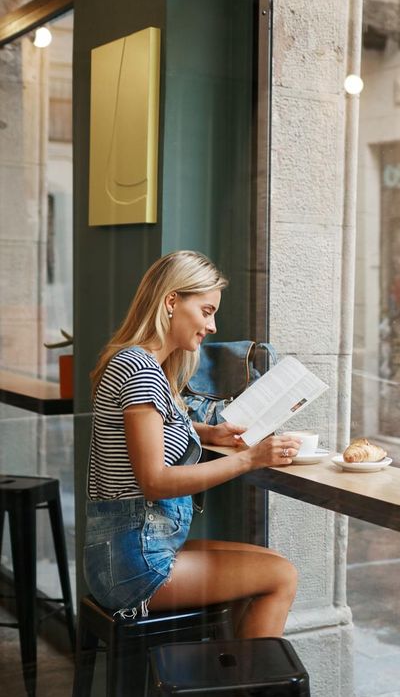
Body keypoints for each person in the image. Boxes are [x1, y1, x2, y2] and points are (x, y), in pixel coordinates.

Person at [83, 250, 302, 637]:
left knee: (270, 562)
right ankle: (247, 695)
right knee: (280, 576)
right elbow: (155, 480)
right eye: (206, 310)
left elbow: (151, 426)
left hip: (126, 553)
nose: (212, 325)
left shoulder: (137, 363)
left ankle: (228, 686)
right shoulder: (140, 369)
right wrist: (250, 458)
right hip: (135, 564)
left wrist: (207, 432)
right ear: (171, 302)